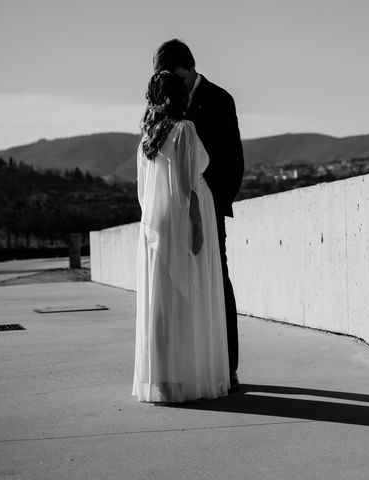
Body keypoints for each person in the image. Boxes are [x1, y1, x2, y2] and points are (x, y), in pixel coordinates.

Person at [132, 71, 230, 403]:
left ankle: (162, 380)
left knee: (160, 300)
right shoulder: (184, 130)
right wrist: (199, 226)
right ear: (179, 96)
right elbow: (189, 183)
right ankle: (190, 377)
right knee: (191, 295)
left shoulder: (147, 140)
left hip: (154, 224)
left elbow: (143, 194)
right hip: (184, 217)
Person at [153, 39, 244, 392]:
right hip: (172, 214)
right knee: (179, 288)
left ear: (187, 68)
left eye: (170, 73)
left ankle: (227, 366)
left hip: (208, 207)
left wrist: (211, 208)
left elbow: (232, 161)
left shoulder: (220, 99)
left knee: (217, 281)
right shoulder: (163, 103)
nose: (166, 81)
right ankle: (191, 366)